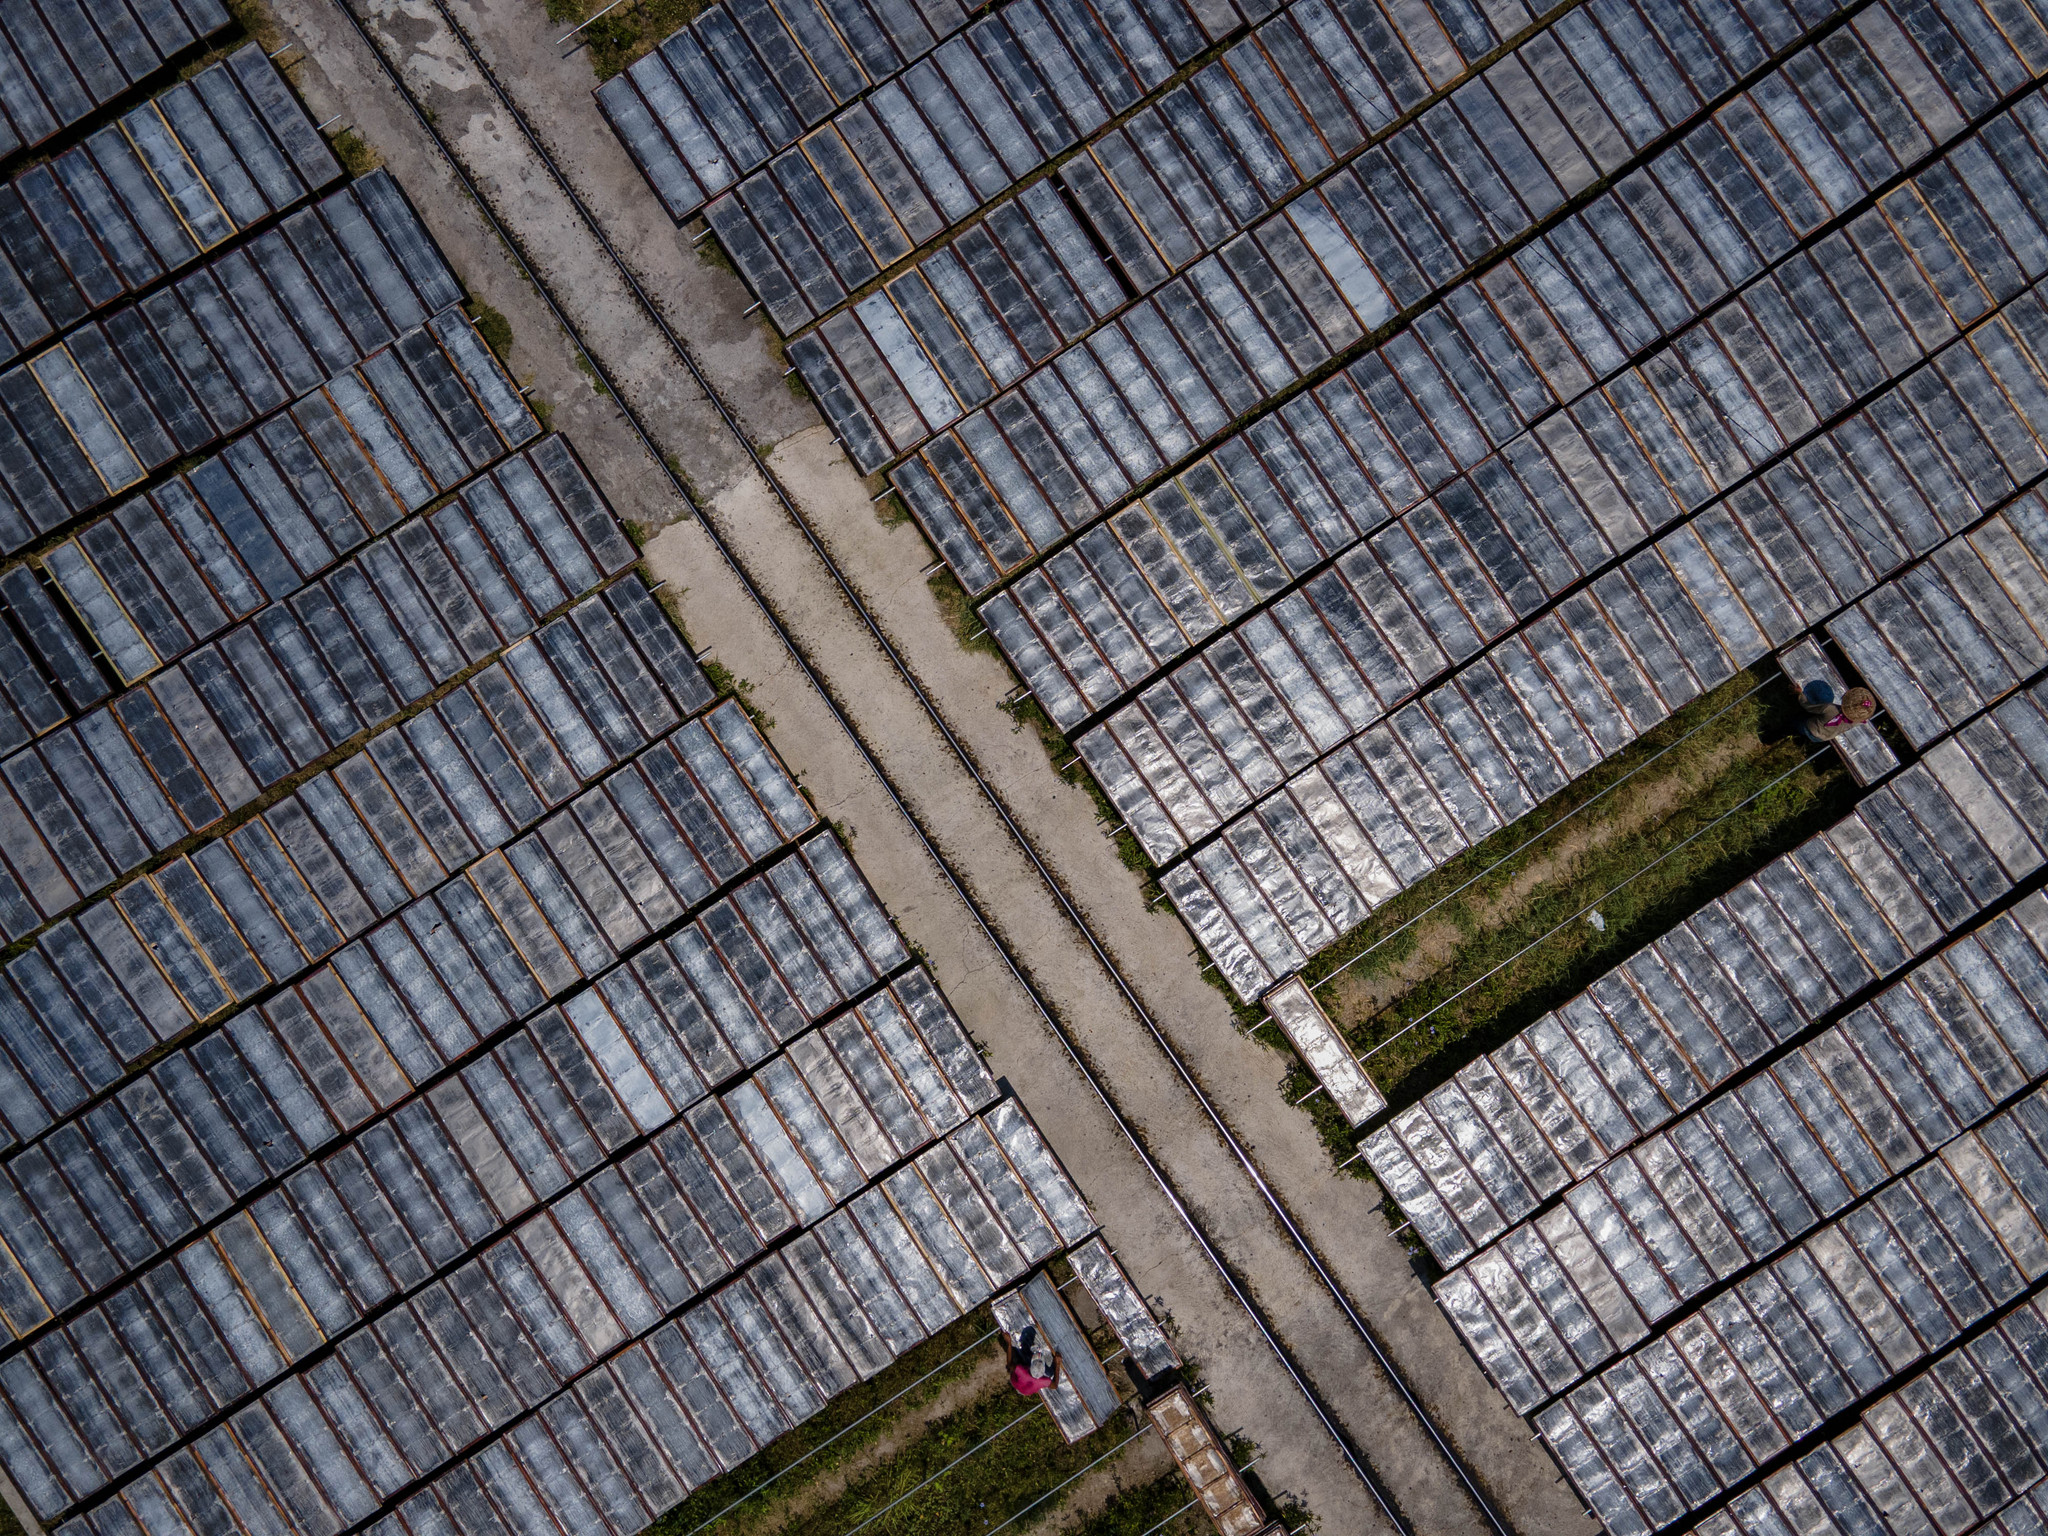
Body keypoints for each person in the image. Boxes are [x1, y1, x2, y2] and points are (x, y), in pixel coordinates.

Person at [1796, 679, 1875, 742]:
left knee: (1797, 720)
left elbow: (1808, 706)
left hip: (1810, 728)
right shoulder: (1858, 721)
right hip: (1824, 738)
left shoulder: (1829, 708)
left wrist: (1800, 694)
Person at [1009, 1325, 1059, 1396]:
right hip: (1026, 1380)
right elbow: (1055, 1385)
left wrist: (1008, 1343)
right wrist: (1058, 1364)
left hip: (1019, 1375)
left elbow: (1009, 1365)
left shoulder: (1020, 1370)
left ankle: (1029, 1332)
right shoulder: (1042, 1381)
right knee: (1050, 1373)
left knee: (1021, 1350)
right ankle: (1030, 1334)